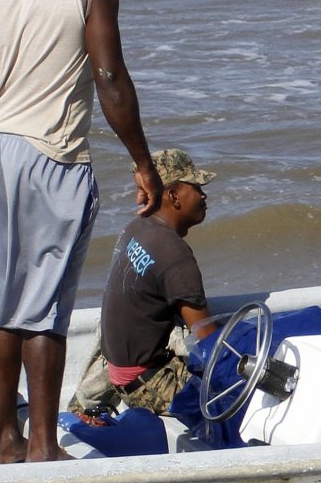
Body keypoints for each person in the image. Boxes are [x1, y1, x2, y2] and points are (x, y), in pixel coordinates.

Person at [0, 0, 162, 463]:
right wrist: (142, 162)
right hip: (53, 152)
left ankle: (2, 441)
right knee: (42, 309)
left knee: (0, 306)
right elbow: (110, 79)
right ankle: (44, 447)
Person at [71, 148, 218, 424]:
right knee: (233, 396)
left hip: (115, 368)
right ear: (174, 195)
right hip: (145, 383)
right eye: (196, 187)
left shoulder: (136, 228)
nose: (203, 196)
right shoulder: (174, 253)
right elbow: (207, 338)